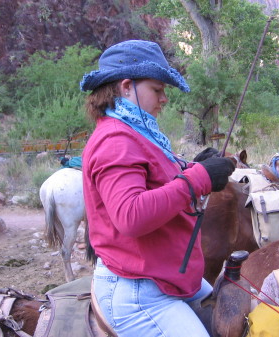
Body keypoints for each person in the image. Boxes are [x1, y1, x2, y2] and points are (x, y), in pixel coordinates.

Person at [79, 40, 235, 337]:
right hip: (139, 289)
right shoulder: (116, 140)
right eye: (157, 89)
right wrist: (198, 179)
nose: (164, 99)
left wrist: (192, 167)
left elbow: (156, 179)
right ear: (127, 87)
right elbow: (130, 216)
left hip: (166, 276)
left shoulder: (137, 132)